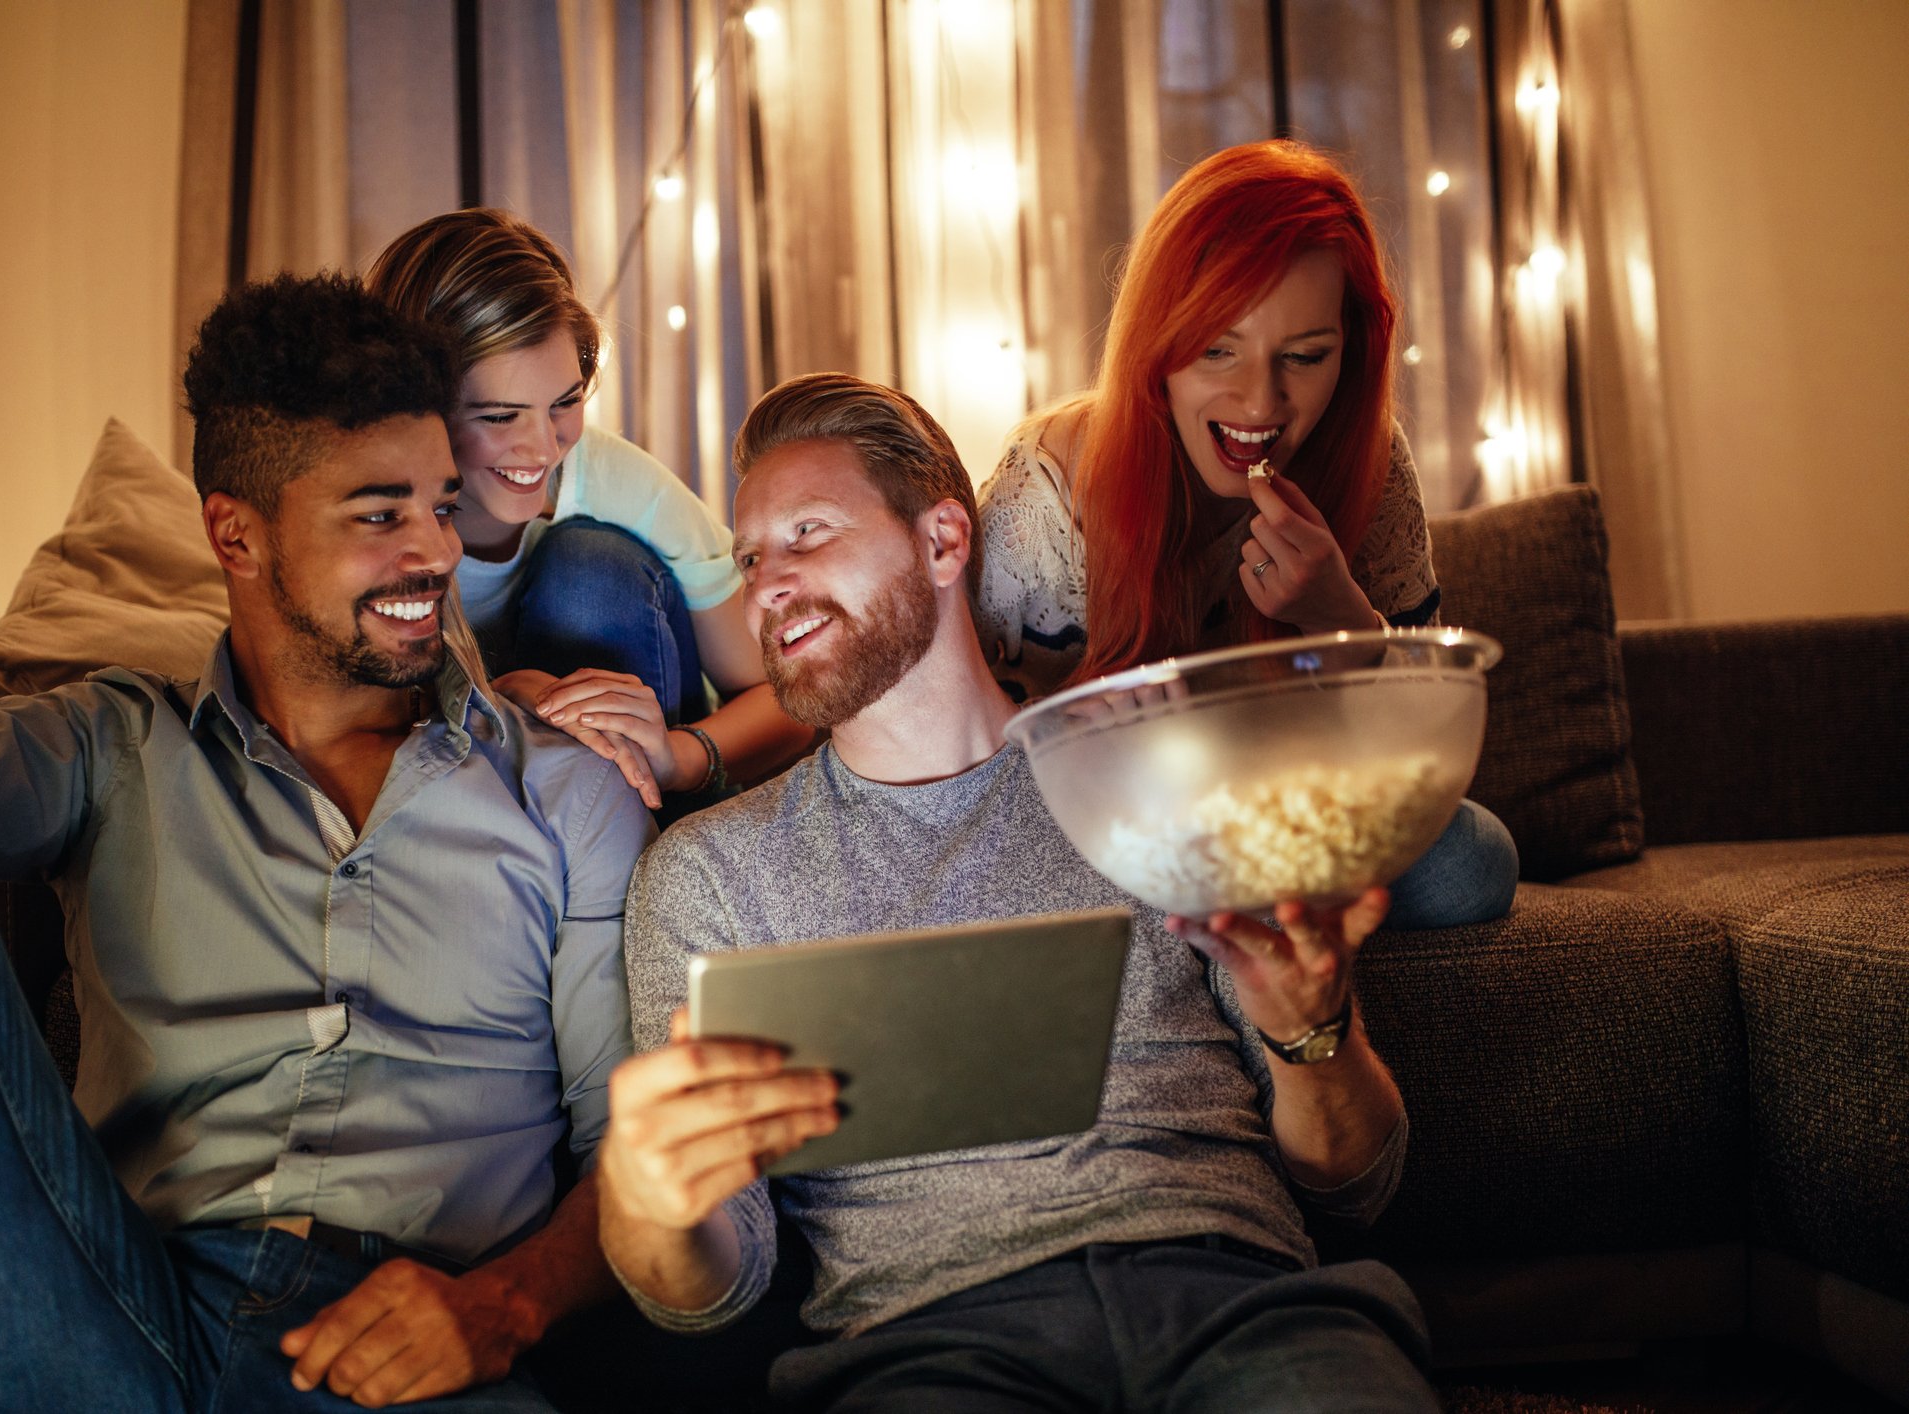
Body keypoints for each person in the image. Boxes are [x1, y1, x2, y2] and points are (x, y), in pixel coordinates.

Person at [0, 273, 650, 1411]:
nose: (435, 552)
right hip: (95, 1310)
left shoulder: (568, 798)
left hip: (411, 1343)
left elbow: (634, 1150)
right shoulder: (111, 742)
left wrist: (504, 1307)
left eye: (443, 505)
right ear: (235, 535)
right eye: (379, 514)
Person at [596, 372, 1441, 1412]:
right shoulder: (708, 874)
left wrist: (1313, 1034)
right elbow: (714, 1293)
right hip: (929, 1349)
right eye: (752, 556)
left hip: (1239, 1303)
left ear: (945, 543)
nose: (767, 584)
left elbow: (1357, 1183)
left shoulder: (1160, 784)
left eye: (809, 533)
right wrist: (643, 1209)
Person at [975, 139, 1515, 929]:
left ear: (1351, 349)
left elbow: (1419, 761)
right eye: (1216, 349)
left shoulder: (1371, 454)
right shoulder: (1049, 487)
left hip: (1284, 807)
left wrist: (1341, 619)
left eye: (1303, 356)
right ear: (1156, 350)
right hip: (1109, 827)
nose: (1259, 401)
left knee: (1472, 863)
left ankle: (1239, 920)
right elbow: (976, 776)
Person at [365, 208, 814, 812]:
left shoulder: (617, 481)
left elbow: (789, 699)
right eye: (499, 416)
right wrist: (501, 700)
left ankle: (646, 856)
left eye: (565, 402)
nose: (543, 448)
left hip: (653, 776)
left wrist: (677, 756)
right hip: (472, 781)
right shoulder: (365, 511)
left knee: (591, 566)